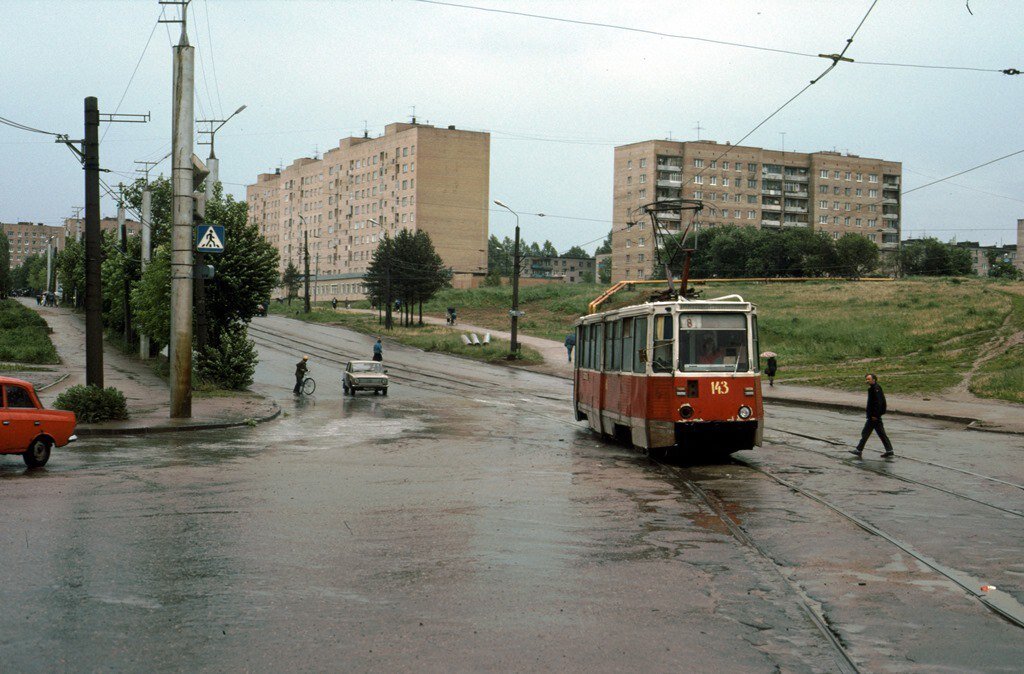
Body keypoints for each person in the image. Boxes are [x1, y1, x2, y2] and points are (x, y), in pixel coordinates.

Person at [850, 373, 895, 458]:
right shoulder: (872, 388)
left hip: (874, 417)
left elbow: (878, 403)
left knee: (866, 433)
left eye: (868, 379)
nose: (867, 381)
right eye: (866, 379)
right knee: (878, 433)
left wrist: (875, 415)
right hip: (873, 416)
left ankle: (859, 450)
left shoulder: (876, 388)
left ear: (873, 380)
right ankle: (889, 450)